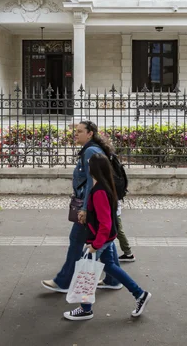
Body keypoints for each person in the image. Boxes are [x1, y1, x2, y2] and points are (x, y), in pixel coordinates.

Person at [63, 153, 151, 321]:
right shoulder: (105, 187)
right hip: (106, 238)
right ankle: (140, 294)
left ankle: (86, 309)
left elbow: (105, 223)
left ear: (93, 169)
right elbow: (104, 218)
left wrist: (95, 245)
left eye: (89, 165)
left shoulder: (99, 192)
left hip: (100, 239)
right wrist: (87, 215)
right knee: (110, 266)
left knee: (87, 272)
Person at [41, 121, 121, 293]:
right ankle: (113, 280)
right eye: (75, 131)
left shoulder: (91, 151)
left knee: (76, 241)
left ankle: (64, 281)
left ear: (90, 133)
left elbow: (91, 184)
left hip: (91, 206)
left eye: (79, 131)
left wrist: (84, 209)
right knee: (106, 242)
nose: (75, 134)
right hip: (98, 204)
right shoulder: (93, 149)